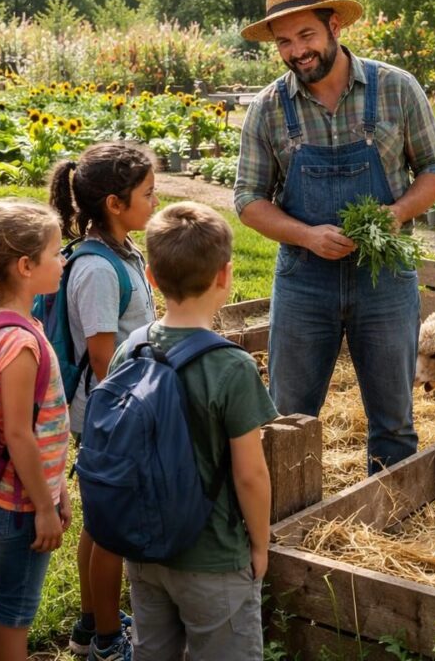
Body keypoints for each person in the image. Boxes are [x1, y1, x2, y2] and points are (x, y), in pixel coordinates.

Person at [234, 0, 435, 474]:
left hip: (386, 277)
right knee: (288, 417)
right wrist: (306, 235)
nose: (296, 51)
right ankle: (285, 531)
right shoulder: (269, 108)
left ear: (334, 25)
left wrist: (397, 213)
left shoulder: (395, 89)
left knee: (393, 422)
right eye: (284, 42)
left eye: (306, 35)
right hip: (305, 281)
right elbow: (247, 198)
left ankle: (390, 523)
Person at [113, 202, 276, 661]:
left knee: (152, 650)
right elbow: (250, 475)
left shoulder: (133, 347)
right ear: (225, 275)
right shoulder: (231, 366)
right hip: (214, 557)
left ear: (150, 276)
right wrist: (260, 546)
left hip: (144, 549)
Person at [48, 142, 158, 660]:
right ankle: (109, 641)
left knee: (100, 522)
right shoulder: (95, 268)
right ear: (115, 204)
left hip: (121, 408)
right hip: (112, 413)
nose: (155, 200)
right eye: (147, 193)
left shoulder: (124, 252)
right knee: (111, 529)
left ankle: (92, 622)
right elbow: (102, 359)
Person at [0, 202, 72, 661]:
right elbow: (21, 434)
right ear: (26, 267)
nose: (63, 261)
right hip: (22, 503)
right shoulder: (21, 342)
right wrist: (44, 506)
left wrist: (57, 484)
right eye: (56, 253)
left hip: (4, 493)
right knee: (16, 614)